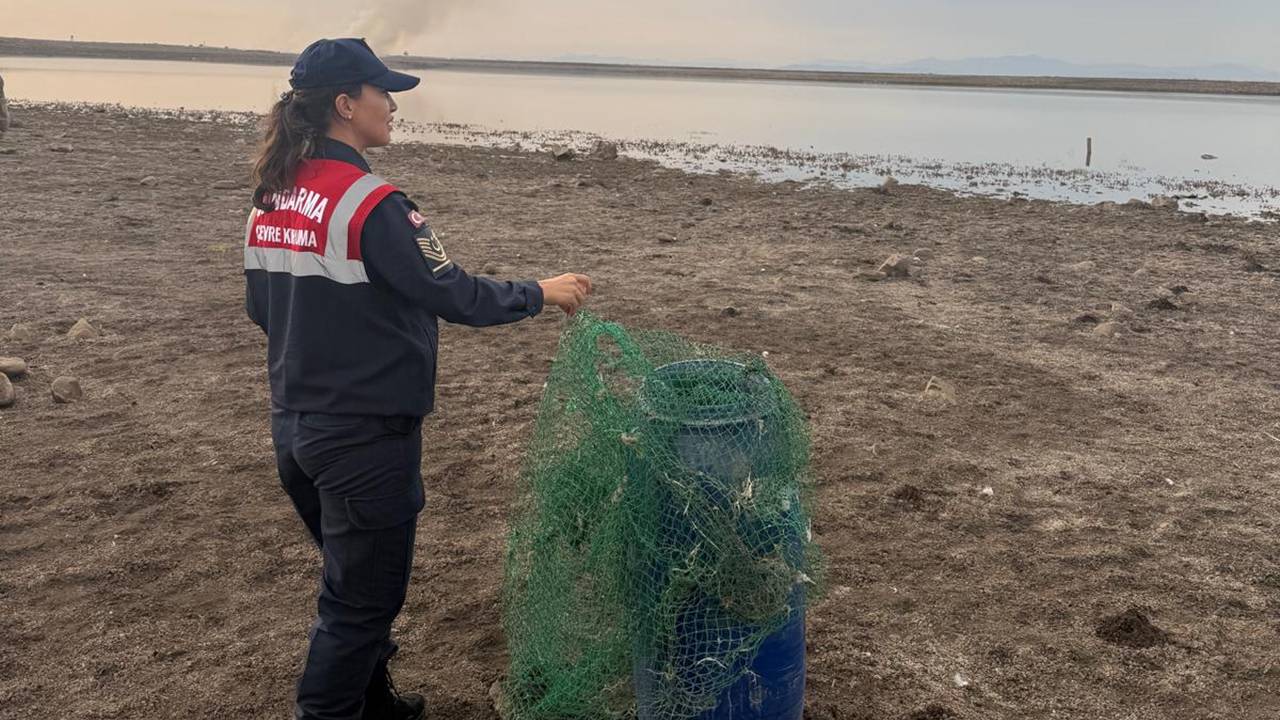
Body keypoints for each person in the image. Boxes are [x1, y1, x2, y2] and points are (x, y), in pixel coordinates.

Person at [243, 37, 593, 720]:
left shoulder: (273, 195)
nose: (393, 104)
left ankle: (377, 704)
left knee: (356, 581)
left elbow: (264, 309)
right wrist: (540, 292)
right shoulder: (371, 201)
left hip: (294, 427)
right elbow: (453, 294)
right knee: (358, 602)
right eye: (382, 92)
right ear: (347, 105)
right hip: (364, 440)